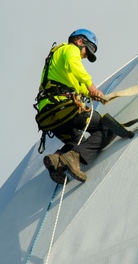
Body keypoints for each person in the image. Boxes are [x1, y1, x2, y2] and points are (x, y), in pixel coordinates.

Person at [34, 29, 116, 184]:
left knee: (77, 141)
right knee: (105, 128)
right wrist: (91, 86)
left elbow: (75, 85)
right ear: (80, 41)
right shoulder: (70, 50)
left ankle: (57, 161)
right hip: (63, 107)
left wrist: (90, 93)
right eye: (87, 51)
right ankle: (72, 158)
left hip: (48, 113)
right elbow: (75, 66)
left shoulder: (57, 60)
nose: (85, 56)